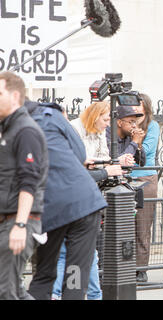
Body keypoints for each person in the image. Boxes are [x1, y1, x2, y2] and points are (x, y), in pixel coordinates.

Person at [26, 100, 108, 300]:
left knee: (45, 274)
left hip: (52, 206)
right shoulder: (52, 115)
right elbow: (79, 153)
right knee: (76, 275)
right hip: (84, 204)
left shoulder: (14, 128)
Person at [50, 101, 123, 300]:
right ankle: (58, 294)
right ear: (95, 116)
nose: (109, 124)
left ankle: (92, 295)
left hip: (86, 200)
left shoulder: (97, 133)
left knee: (88, 254)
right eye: (106, 119)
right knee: (67, 252)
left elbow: (102, 158)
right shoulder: (74, 129)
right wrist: (105, 171)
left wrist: (113, 164)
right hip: (72, 201)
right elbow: (73, 169)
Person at [0, 72, 48, 299]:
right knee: (15, 290)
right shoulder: (9, 128)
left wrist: (20, 225)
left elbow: (29, 181)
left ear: (15, 96)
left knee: (6, 292)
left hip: (17, 222)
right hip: (10, 221)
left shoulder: (26, 130)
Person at [130, 93, 160, 283]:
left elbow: (146, 151)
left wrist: (135, 141)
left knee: (142, 226)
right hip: (125, 178)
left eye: (139, 108)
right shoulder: (124, 123)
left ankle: (141, 269)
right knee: (124, 226)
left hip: (145, 178)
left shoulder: (153, 126)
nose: (135, 113)